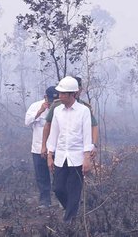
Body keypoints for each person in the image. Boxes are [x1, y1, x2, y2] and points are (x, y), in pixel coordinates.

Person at [46, 76, 94, 222]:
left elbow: (87, 136)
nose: (59, 96)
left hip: (77, 157)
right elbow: (53, 134)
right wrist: (50, 155)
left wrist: (87, 158)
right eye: (59, 93)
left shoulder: (84, 111)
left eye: (63, 94)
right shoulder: (57, 111)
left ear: (72, 94)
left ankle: (68, 221)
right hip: (61, 157)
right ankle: (72, 211)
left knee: (74, 191)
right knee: (58, 189)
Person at [41, 76, 99, 159]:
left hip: (78, 152)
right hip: (59, 150)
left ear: (80, 90)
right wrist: (44, 146)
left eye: (78, 89)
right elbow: (48, 125)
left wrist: (94, 145)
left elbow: (94, 126)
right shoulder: (57, 106)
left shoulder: (85, 108)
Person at [25, 86, 59, 208]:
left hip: (56, 148)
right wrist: (39, 111)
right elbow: (27, 121)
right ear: (45, 98)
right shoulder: (35, 106)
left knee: (58, 175)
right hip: (38, 148)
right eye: (50, 101)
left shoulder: (60, 108)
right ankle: (45, 200)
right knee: (42, 175)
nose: (51, 104)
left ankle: (60, 198)